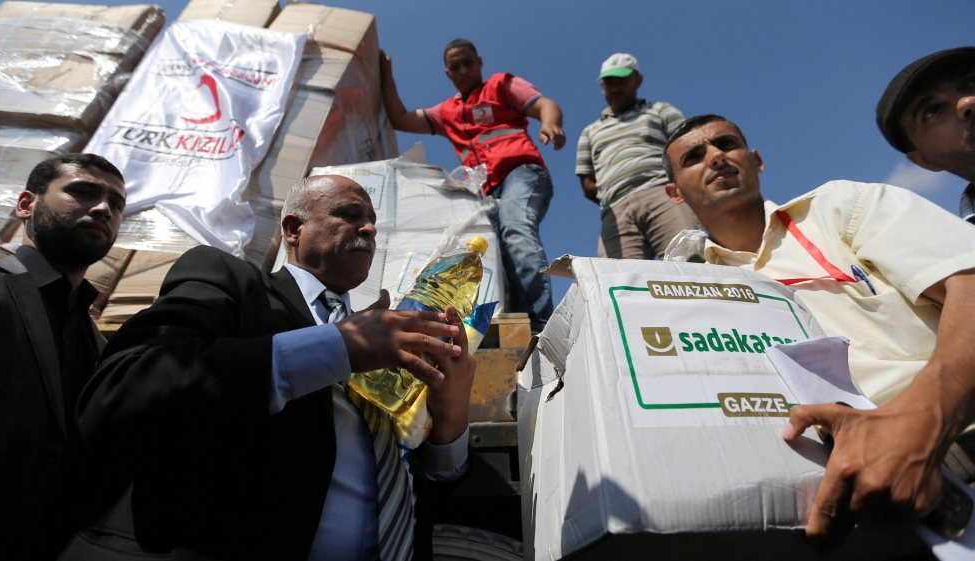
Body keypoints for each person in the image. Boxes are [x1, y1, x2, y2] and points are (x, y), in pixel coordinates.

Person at [61, 175, 476, 561]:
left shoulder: (385, 346)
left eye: (372, 222)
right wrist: (336, 347)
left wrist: (453, 415)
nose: (368, 229)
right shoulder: (231, 282)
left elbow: (426, 487)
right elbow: (124, 389)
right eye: (350, 215)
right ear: (293, 230)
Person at [662, 114, 975, 544]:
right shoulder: (683, 294)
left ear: (755, 160)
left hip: (956, 455)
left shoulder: (839, 208)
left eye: (726, 144)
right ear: (674, 193)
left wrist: (923, 423)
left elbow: (970, 283)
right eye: (693, 157)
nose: (715, 157)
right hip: (823, 514)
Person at [0, 154, 126, 560]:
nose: (102, 208)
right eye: (82, 192)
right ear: (27, 205)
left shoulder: (100, 346)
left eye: (116, 204)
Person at [380, 38, 562, 332]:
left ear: (479, 62)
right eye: (456, 66)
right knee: (495, 257)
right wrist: (386, 76)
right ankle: (517, 329)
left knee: (516, 231)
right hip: (484, 194)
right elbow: (400, 119)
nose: (463, 69)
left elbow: (544, 104)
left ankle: (541, 328)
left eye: (468, 62)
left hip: (521, 173)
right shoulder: (447, 112)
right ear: (448, 75)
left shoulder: (500, 86)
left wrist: (550, 122)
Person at [576, 52, 702, 261]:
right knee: (618, 282)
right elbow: (588, 184)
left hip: (664, 194)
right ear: (601, 86)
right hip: (614, 210)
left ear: (638, 80)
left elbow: (690, 149)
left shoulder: (660, 110)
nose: (615, 87)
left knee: (688, 264)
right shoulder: (589, 132)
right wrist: (614, 192)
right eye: (609, 82)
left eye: (622, 80)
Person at [876, 46, 975, 223]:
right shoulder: (959, 247)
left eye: (972, 82)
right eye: (932, 111)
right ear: (924, 161)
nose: (968, 101)